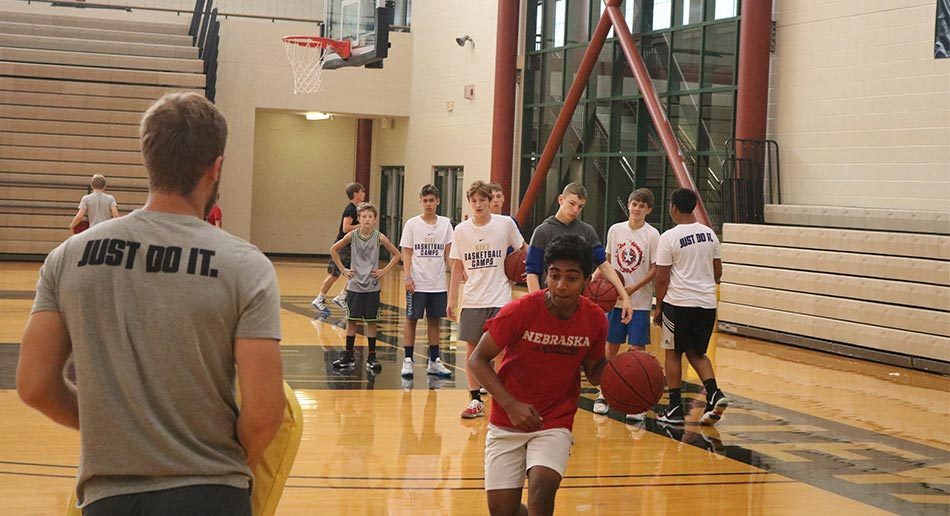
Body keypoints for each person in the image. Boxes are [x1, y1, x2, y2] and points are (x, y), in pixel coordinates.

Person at [17, 92, 286, 515]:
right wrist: (224, 465)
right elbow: (267, 412)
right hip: (213, 493)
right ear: (216, 167)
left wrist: (116, 428)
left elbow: (34, 386)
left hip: (110, 498)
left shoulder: (67, 257)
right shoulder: (245, 265)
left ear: (149, 160)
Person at [469, 234, 608, 516]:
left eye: (571, 278)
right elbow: (477, 360)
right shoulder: (520, 310)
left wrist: (629, 371)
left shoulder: (595, 319)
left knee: (542, 490)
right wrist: (511, 404)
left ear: (586, 281)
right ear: (545, 275)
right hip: (508, 418)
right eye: (554, 275)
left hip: (554, 420)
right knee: (503, 512)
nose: (561, 285)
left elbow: (595, 373)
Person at [448, 180, 526, 419]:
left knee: (501, 351)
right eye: (474, 201)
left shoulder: (505, 224)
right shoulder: (461, 230)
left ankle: (502, 400)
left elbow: (524, 249)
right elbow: (457, 266)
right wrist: (452, 299)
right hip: (473, 298)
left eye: (482, 200)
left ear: (490, 201)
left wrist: (525, 270)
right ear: (469, 203)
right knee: (473, 352)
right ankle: (475, 400)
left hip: (500, 298)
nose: (478, 204)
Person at [653, 188, 728, 426]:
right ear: (694, 207)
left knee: (673, 353)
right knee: (697, 353)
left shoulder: (669, 237)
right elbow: (718, 272)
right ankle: (714, 393)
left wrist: (658, 307)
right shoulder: (710, 235)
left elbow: (661, 278)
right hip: (706, 304)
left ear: (673, 207)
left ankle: (675, 408)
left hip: (679, 303)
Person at [593, 188, 660, 420]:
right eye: (634, 204)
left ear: (649, 210)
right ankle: (603, 393)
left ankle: (637, 403)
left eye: (642, 205)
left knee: (637, 350)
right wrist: (593, 280)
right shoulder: (615, 230)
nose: (637, 208)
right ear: (628, 205)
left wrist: (632, 288)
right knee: (610, 346)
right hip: (614, 301)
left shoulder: (652, 235)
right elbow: (607, 261)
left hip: (639, 302)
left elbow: (654, 269)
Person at [524, 182, 632, 323]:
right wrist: (538, 306)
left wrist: (624, 296)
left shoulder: (587, 231)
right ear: (561, 199)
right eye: (572, 203)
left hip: (577, 306)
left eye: (580, 206)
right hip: (550, 303)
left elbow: (604, 264)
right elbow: (532, 272)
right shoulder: (543, 231)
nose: (575, 210)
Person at [329, 202, 401, 372]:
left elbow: (397, 255)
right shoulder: (352, 235)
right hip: (354, 285)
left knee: (371, 322)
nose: (367, 219)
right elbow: (333, 249)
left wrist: (384, 271)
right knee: (352, 320)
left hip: (371, 286)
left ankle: (372, 356)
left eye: (370, 216)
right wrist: (343, 270)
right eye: (364, 216)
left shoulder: (379, 237)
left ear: (375, 219)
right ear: (359, 219)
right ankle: (348, 354)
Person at [399, 184, 454, 380]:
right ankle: (408, 359)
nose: (428, 204)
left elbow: (448, 254)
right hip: (417, 282)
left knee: (434, 320)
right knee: (411, 319)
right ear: (421, 202)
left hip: (438, 282)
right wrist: (407, 276)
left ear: (438, 201)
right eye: (425, 201)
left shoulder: (446, 224)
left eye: (431, 200)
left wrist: (457, 273)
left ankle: (434, 360)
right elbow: (407, 252)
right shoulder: (412, 224)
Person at [312, 182, 366, 313]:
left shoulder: (358, 209)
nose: (364, 193)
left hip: (351, 246)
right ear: (355, 194)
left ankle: (341, 297)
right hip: (342, 246)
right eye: (362, 191)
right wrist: (361, 225)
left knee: (355, 272)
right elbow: (346, 228)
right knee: (334, 275)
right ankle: (319, 299)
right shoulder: (350, 209)